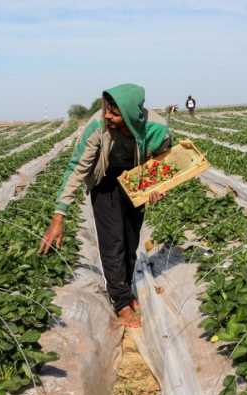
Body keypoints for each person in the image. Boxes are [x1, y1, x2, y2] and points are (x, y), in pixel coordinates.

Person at [39, 83, 171, 328]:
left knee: (131, 241)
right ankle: (121, 301)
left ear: (132, 113)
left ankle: (126, 291)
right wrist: (59, 215)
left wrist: (158, 186)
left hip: (136, 180)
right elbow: (77, 168)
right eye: (106, 110)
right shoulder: (97, 126)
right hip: (105, 180)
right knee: (113, 242)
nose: (107, 116)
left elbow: (164, 159)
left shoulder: (157, 128)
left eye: (115, 113)